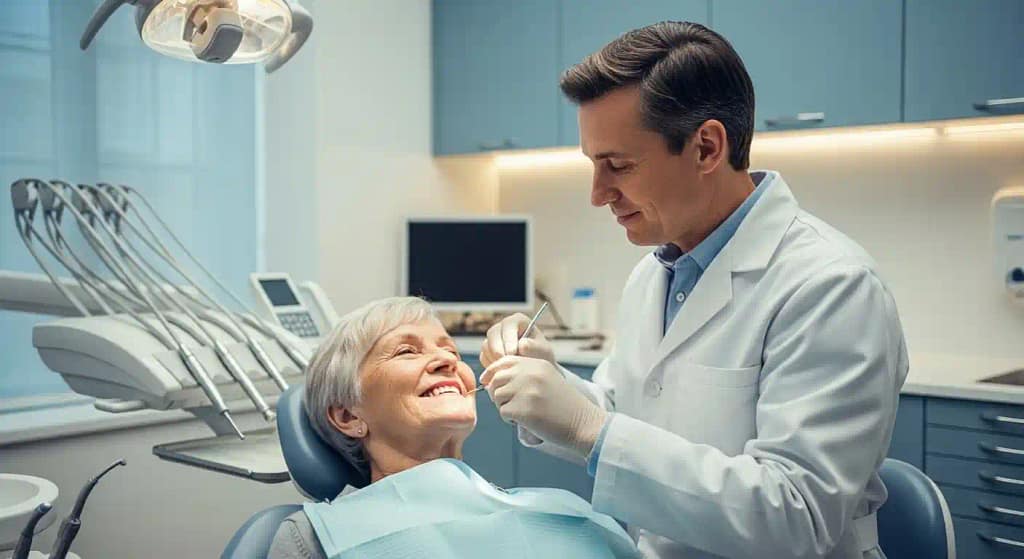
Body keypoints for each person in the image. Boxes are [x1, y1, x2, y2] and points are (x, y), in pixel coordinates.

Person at [480, 21, 908, 559]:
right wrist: (550, 384)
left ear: (706, 147)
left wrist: (592, 429)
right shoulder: (657, 271)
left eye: (618, 166)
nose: (598, 194)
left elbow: (795, 514)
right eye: (593, 166)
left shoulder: (832, 287)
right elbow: (625, 409)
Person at [268, 297, 639, 559]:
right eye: (406, 351)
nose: (446, 360)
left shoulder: (565, 511)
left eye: (453, 353)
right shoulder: (317, 541)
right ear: (348, 417)